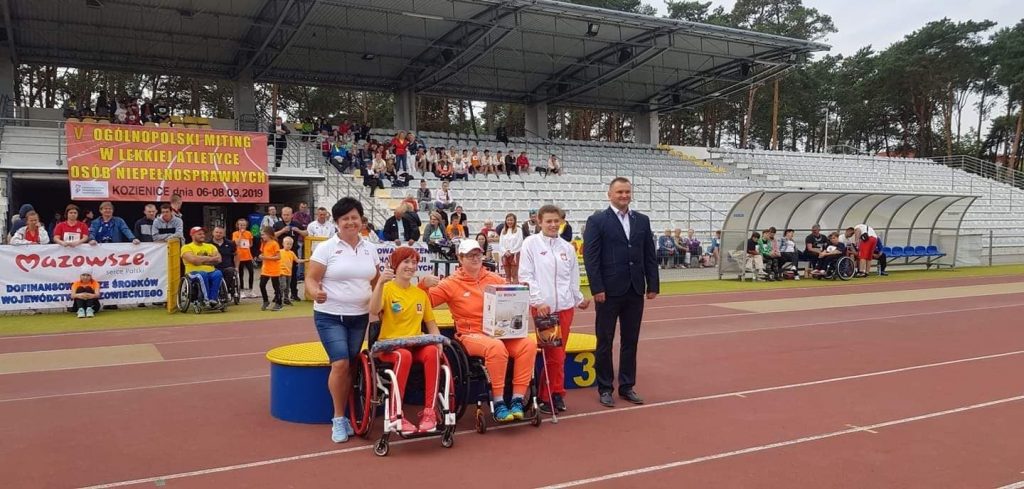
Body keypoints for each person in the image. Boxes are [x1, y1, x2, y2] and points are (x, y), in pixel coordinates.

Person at [419, 240, 538, 422]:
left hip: (499, 331)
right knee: (495, 347)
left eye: (478, 254)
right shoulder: (450, 284)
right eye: (470, 255)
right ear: (460, 258)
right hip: (471, 335)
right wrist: (423, 285)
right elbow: (425, 303)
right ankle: (498, 402)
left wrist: (521, 292)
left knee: (528, 344)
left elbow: (512, 297)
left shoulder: (494, 278)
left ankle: (517, 400)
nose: (475, 258)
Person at [306, 197, 379, 443]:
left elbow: (376, 282)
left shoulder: (370, 248)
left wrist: (380, 303)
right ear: (337, 222)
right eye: (345, 218)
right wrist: (316, 292)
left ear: (361, 220)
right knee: (340, 364)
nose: (350, 222)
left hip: (359, 317)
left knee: (353, 364)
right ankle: (338, 418)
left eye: (354, 217)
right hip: (330, 316)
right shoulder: (326, 248)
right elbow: (311, 279)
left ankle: (351, 412)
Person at [583, 177, 658, 408]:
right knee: (604, 340)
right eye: (619, 192)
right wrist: (597, 288)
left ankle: (627, 386)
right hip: (608, 291)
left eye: (627, 192)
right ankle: (605, 387)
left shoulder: (642, 220)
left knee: (630, 341)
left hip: (635, 289)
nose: (624, 196)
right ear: (610, 194)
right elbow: (591, 257)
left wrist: (652, 284)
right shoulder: (597, 220)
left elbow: (649, 254)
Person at [518, 205, 590, 414]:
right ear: (539, 222)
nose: (553, 225)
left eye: (556, 221)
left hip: (565, 307)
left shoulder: (567, 247)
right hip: (544, 309)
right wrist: (538, 301)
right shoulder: (531, 244)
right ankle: (554, 393)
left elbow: (573, 277)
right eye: (548, 221)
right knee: (554, 353)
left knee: (559, 353)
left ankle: (546, 393)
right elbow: (526, 275)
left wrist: (578, 299)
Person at [368, 247, 444, 433]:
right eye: (406, 262)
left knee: (433, 351)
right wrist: (379, 284)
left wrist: (439, 342)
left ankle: (429, 411)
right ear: (395, 265)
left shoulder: (420, 294)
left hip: (415, 345)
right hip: (390, 347)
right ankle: (396, 413)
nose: (410, 266)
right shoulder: (387, 289)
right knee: (404, 356)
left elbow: (431, 323)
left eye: (414, 262)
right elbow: (373, 309)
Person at [181, 227, 224, 309]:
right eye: (199, 234)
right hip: (192, 272)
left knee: (218, 273)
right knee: (202, 274)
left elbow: (219, 259)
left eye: (203, 234)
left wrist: (201, 260)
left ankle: (213, 300)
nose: (202, 236)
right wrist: (210, 259)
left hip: (211, 271)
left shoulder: (210, 246)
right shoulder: (186, 247)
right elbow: (193, 260)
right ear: (192, 235)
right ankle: (206, 300)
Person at [273, 207, 308, 301]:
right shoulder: (277, 224)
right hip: (280, 254)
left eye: (288, 215)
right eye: (284, 214)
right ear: (281, 215)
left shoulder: (296, 224)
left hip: (293, 252)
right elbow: (272, 235)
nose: (286, 216)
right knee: (279, 275)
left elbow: (306, 233)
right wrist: (282, 231)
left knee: (293, 274)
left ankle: (294, 293)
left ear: (292, 215)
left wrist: (299, 231)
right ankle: (277, 294)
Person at [258, 227, 283, 311]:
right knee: (261, 285)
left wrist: (266, 257)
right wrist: (261, 256)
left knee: (276, 286)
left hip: (274, 268)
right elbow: (263, 253)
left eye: (263, 234)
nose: (262, 236)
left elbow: (278, 257)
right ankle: (265, 301)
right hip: (265, 268)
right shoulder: (263, 243)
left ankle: (279, 303)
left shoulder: (274, 243)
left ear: (269, 234)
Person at [211, 226, 238, 298]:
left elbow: (236, 255)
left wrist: (237, 267)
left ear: (224, 234)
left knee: (230, 271)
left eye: (220, 233)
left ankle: (224, 290)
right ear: (213, 233)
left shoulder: (231, 243)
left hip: (227, 267)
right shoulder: (208, 244)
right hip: (214, 267)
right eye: (216, 232)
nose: (218, 234)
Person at [278, 236, 306, 306]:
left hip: (288, 273)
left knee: (287, 287)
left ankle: (286, 299)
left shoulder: (292, 253)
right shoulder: (279, 252)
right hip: (281, 272)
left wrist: (306, 260)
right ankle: (279, 299)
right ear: (283, 244)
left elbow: (297, 260)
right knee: (282, 286)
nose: (289, 245)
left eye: (290, 244)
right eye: (287, 244)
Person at [499, 213, 524, 283]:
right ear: (506, 221)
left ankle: (516, 291)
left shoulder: (519, 230)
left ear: (515, 221)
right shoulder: (503, 231)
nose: (509, 222)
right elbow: (501, 243)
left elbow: (520, 242)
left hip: (515, 255)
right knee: (507, 275)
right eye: (508, 220)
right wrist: (505, 251)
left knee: (514, 275)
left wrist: (512, 251)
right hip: (505, 255)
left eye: (511, 220)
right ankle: (507, 290)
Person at [232, 218, 255, 292]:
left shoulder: (249, 233)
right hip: (239, 256)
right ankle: (241, 290)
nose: (242, 226)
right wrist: (241, 234)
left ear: (246, 226)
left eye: (244, 225)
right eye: (241, 225)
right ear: (238, 225)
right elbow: (236, 243)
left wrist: (247, 244)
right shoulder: (235, 233)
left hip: (248, 256)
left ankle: (250, 289)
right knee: (241, 273)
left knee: (251, 272)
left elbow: (251, 244)